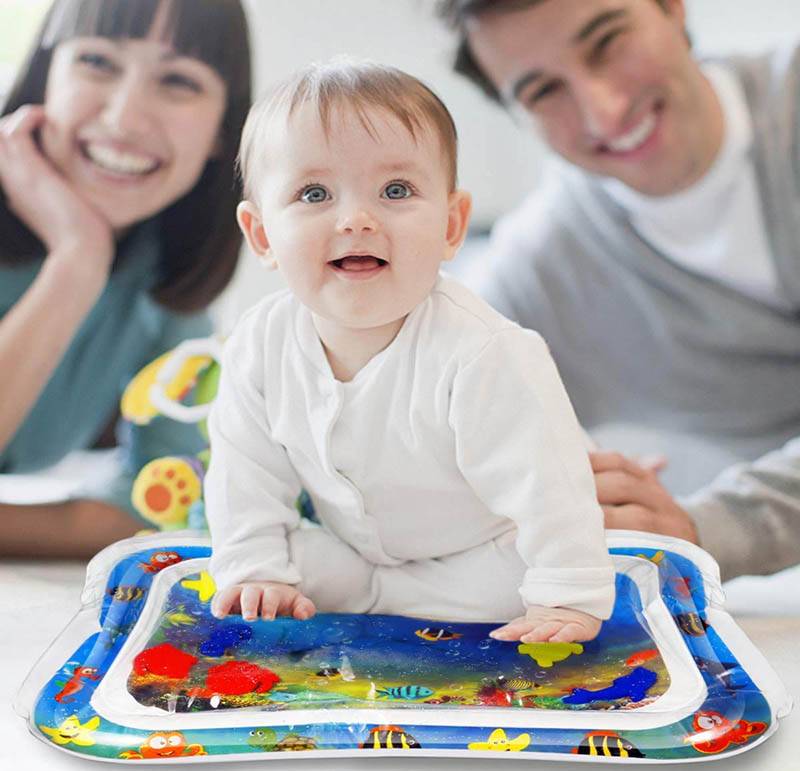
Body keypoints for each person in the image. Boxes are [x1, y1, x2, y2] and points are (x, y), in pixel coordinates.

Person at [205, 60, 615, 643]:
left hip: (481, 549)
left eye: (396, 190)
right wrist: (256, 569)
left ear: (451, 226)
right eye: (314, 193)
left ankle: (407, 597)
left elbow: (547, 487)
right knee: (261, 543)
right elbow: (244, 469)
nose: (356, 219)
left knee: (539, 572)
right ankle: (375, 594)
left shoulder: (484, 352)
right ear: (264, 235)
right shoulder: (259, 342)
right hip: (352, 554)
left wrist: (567, 597)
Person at [437, 0, 800, 580]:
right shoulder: (543, 272)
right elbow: (420, 410)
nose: (603, 112)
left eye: (607, 42)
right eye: (543, 92)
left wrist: (706, 527)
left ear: (673, 9)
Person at [0, 0, 251, 557]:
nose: (124, 118)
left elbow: (158, 506)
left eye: (178, 81)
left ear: (220, 133)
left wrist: (80, 253)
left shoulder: (160, 282)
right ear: (46, 78)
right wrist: (77, 262)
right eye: (97, 61)